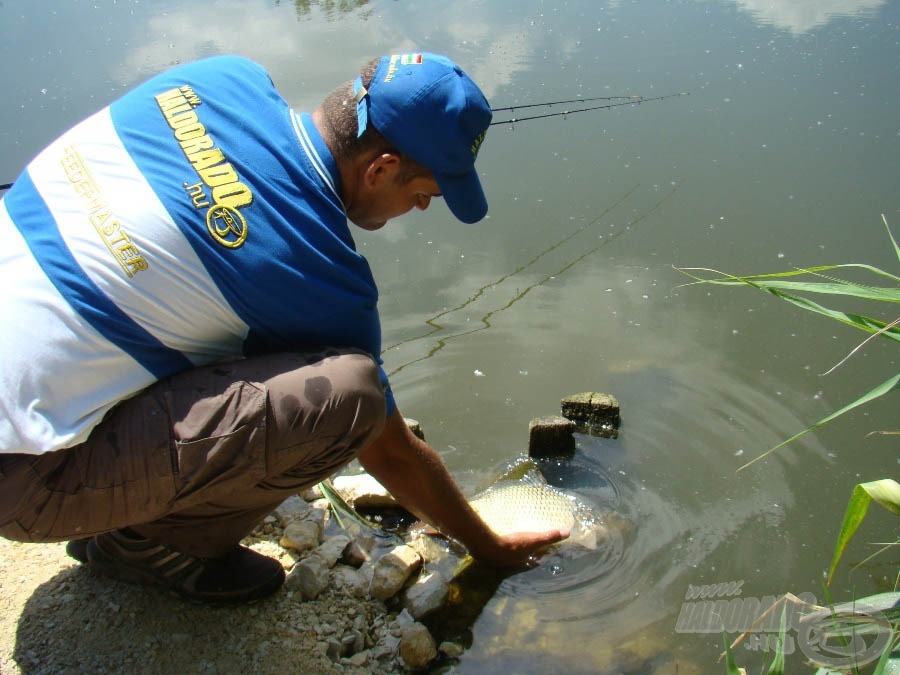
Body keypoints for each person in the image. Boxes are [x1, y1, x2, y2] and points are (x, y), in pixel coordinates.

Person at [0, 52, 566, 603]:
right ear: (382, 168)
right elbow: (389, 452)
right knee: (350, 396)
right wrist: (488, 547)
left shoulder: (219, 76)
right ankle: (151, 547)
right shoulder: (318, 270)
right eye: (423, 195)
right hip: (22, 480)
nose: (421, 209)